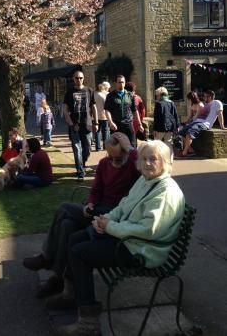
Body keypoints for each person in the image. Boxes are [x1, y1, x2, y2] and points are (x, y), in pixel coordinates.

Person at [50, 140, 185, 336]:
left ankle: (88, 324)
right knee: (76, 238)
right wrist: (106, 218)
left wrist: (110, 227)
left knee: (79, 253)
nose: (147, 163)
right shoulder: (146, 180)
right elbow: (124, 205)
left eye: (153, 159)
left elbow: (148, 230)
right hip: (130, 240)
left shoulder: (165, 191)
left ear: (165, 162)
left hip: (142, 250)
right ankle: (71, 294)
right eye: (144, 159)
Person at [23, 133, 140, 298]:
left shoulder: (133, 165)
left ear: (126, 153)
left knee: (64, 207)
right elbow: (96, 190)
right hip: (98, 209)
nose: (114, 161)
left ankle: (46, 256)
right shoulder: (104, 163)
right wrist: (90, 203)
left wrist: (130, 148)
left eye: (118, 158)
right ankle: (59, 279)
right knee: (67, 225)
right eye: (110, 156)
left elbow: (142, 164)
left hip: (114, 215)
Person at [63, 70, 98, 180]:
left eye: (81, 78)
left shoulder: (89, 90)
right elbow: (65, 109)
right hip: (75, 125)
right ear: (73, 79)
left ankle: (82, 163)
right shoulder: (69, 92)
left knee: (87, 149)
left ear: (83, 78)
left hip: (87, 124)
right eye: (77, 78)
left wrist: (95, 122)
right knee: (77, 148)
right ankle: (80, 172)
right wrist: (71, 123)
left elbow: (93, 107)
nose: (79, 80)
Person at [178, 90, 226, 158]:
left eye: (205, 96)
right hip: (197, 122)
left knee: (189, 132)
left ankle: (184, 153)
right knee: (181, 132)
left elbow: (220, 114)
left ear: (210, 97)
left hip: (205, 124)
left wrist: (222, 126)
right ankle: (190, 150)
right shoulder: (206, 104)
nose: (203, 98)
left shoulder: (217, 103)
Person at [104, 75, 143, 147]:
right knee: (115, 147)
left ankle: (131, 158)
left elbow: (135, 111)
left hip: (128, 124)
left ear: (125, 83)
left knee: (132, 146)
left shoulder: (130, 95)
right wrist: (111, 122)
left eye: (123, 82)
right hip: (116, 125)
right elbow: (107, 110)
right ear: (116, 83)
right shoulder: (110, 96)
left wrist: (139, 124)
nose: (121, 84)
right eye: (119, 82)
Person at [153, 86, 180, 161]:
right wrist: (177, 126)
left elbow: (156, 117)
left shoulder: (158, 103)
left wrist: (154, 129)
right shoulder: (171, 103)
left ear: (159, 94)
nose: (156, 96)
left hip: (160, 127)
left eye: (157, 95)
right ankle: (169, 161)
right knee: (169, 145)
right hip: (170, 127)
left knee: (156, 144)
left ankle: (157, 160)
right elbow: (175, 115)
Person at [93, 82, 110, 151]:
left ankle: (98, 147)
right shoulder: (104, 95)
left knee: (97, 132)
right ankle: (105, 146)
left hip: (95, 116)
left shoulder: (93, 94)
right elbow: (106, 106)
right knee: (105, 132)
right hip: (104, 116)